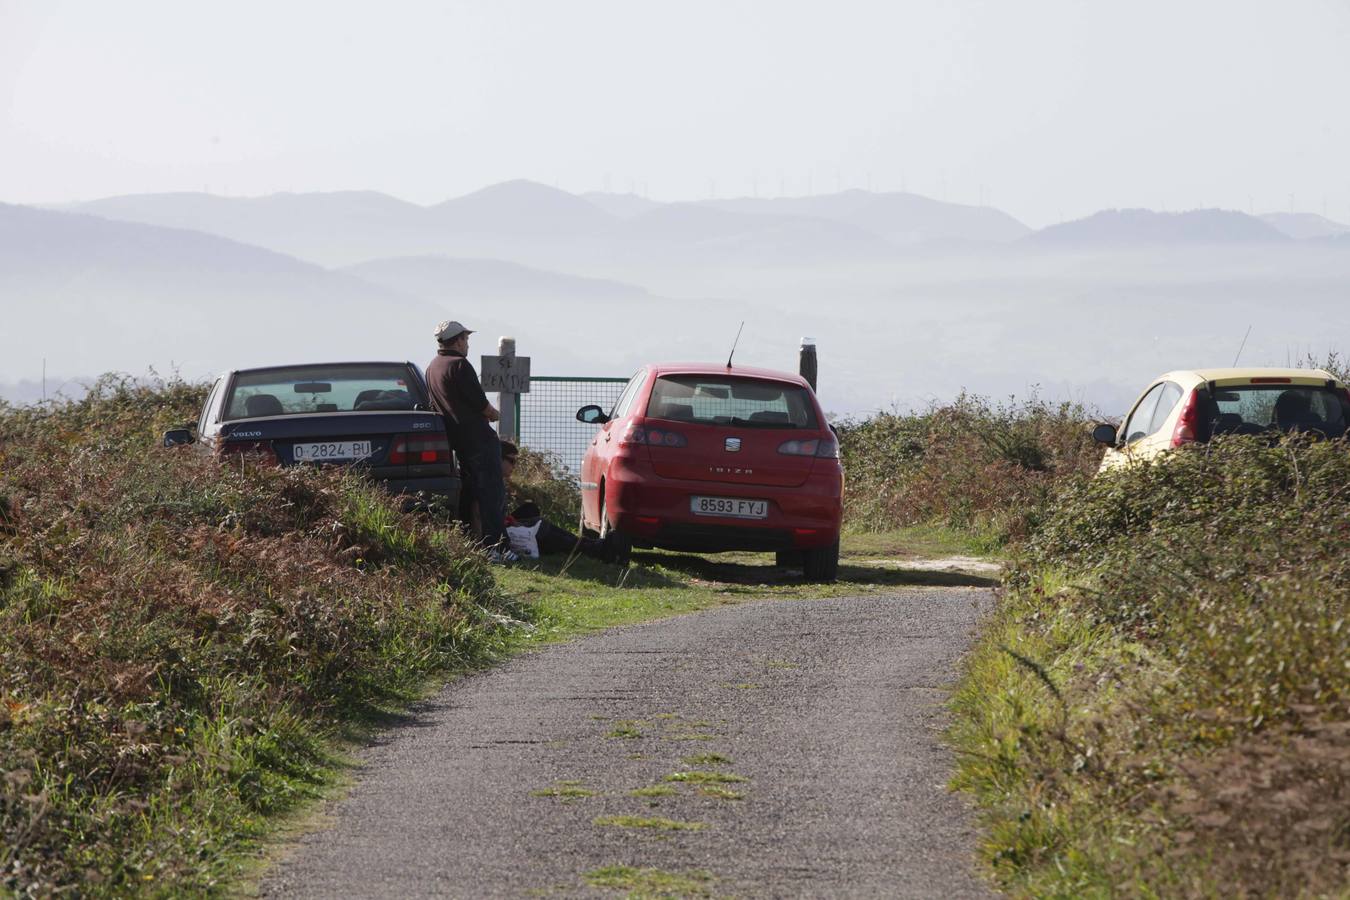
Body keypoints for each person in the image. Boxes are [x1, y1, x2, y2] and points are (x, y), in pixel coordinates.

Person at [425, 320, 517, 563]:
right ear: (457, 341)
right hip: (479, 438)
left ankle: (472, 543)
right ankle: (497, 548)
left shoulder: (433, 367)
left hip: (457, 441)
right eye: (466, 339)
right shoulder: (460, 365)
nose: (468, 344)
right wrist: (496, 415)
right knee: (492, 494)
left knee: (469, 493)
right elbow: (481, 405)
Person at [499, 441, 612, 561]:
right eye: (511, 461)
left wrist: (511, 520)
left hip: (504, 524)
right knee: (541, 527)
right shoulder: (490, 483)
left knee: (531, 509)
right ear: (498, 459)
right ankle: (589, 548)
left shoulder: (498, 481)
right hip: (502, 530)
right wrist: (511, 523)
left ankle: (586, 544)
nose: (514, 466)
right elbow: (490, 519)